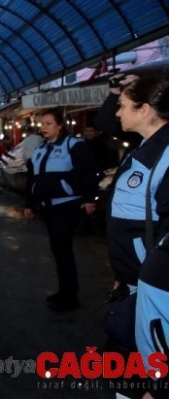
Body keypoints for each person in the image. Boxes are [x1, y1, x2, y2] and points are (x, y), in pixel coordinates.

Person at [99, 76, 169, 399]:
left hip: (155, 295)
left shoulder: (165, 156)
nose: (117, 112)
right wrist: (122, 272)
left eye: (124, 106)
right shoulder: (143, 146)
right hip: (133, 284)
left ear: (145, 110)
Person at [24, 108, 98, 311]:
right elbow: (33, 178)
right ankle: (65, 291)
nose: (44, 127)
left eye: (48, 123)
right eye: (42, 123)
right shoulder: (39, 150)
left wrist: (90, 199)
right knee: (58, 249)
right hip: (48, 208)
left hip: (68, 205)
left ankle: (70, 296)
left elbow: (87, 173)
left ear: (60, 126)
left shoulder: (73, 145)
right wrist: (30, 203)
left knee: (61, 245)